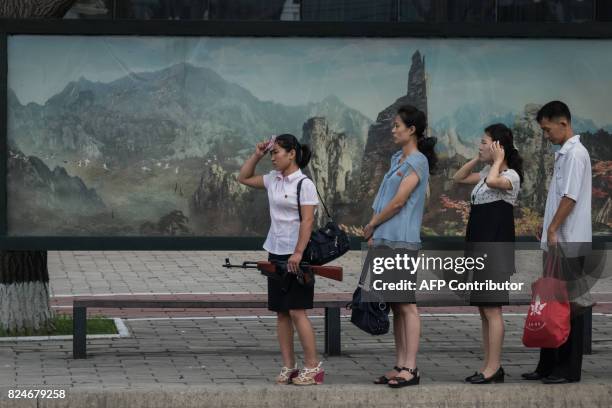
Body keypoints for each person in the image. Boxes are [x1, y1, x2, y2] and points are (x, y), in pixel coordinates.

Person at [237, 134, 324, 385]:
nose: (273, 157)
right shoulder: (273, 179)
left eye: (276, 152)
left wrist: (298, 252)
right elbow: (242, 177)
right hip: (275, 250)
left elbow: (307, 221)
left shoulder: (303, 184)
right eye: (271, 153)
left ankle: (313, 367)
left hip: (297, 253)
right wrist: (257, 153)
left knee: (298, 311)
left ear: (292, 153)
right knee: (281, 312)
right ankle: (289, 366)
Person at [365, 105, 436, 388]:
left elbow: (399, 202)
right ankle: (399, 364)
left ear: (412, 129)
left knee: (406, 304)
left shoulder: (418, 161)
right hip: (385, 239)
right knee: (394, 304)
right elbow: (383, 199)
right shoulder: (397, 158)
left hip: (402, 242)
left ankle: (412, 367)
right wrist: (373, 227)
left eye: (397, 126)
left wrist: (372, 224)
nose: (393, 130)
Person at [522, 100, 592, 384]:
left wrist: (552, 228)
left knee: (568, 307)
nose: (546, 135)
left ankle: (567, 369)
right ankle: (547, 364)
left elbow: (570, 197)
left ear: (563, 123)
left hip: (569, 242)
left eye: (547, 129)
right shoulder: (563, 154)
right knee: (548, 303)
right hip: (556, 241)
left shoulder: (576, 154)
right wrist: (548, 227)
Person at [453, 123, 523, 384]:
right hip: (480, 248)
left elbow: (494, 181)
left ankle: (494, 368)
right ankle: (490, 365)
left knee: (493, 310)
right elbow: (458, 178)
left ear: (497, 146)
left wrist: (498, 159)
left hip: (496, 249)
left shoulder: (511, 176)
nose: (479, 146)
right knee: (484, 309)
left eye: (484, 142)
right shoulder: (486, 172)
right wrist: (479, 158)